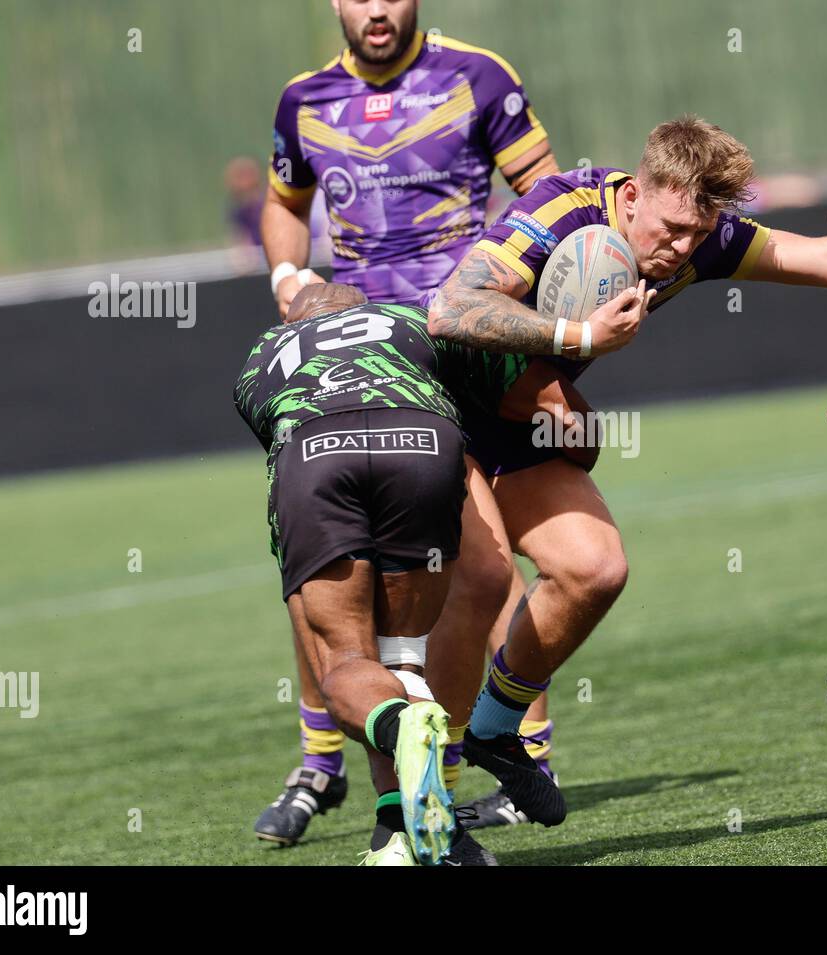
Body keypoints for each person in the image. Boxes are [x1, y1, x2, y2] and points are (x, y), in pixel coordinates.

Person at [427, 114, 827, 824]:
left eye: (697, 233)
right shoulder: (563, 208)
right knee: (479, 582)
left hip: (514, 416)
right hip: (439, 407)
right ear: (638, 193)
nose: (681, 249)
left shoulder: (703, 237)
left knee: (595, 568)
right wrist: (576, 339)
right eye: (670, 228)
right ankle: (424, 802)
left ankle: (496, 735)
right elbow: (450, 308)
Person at [256, 0, 560, 845]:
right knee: (316, 554)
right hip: (354, 361)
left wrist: (522, 318)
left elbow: (548, 198)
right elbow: (285, 201)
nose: (377, 8)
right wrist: (288, 278)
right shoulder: (303, 100)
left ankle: (498, 748)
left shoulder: (478, 76)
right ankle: (322, 758)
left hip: (461, 349)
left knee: (484, 562)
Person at [235, 282, 499, 865]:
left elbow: (274, 432)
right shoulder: (412, 319)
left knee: (348, 663)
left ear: (293, 320)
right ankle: (398, 832)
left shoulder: (266, 351)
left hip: (318, 451)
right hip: (423, 443)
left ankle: (404, 730)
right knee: (402, 655)